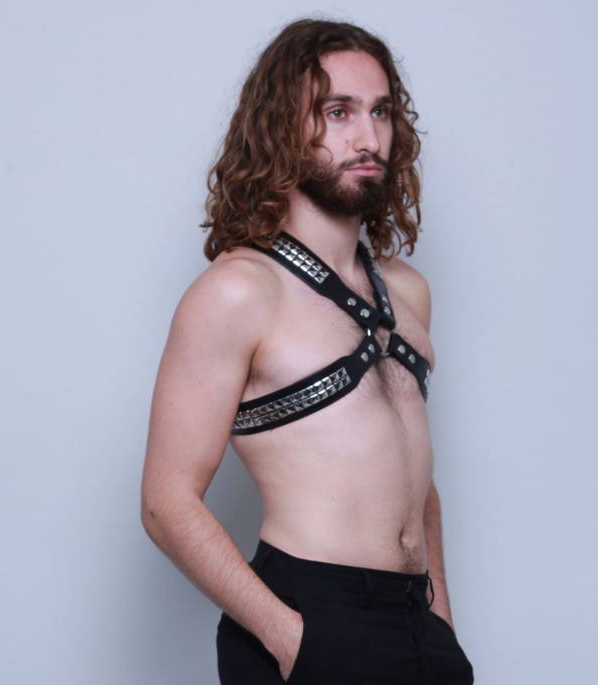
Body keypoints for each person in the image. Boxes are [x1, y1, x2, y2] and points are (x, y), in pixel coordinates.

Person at [141, 17, 475, 685]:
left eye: (380, 112)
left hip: (417, 624)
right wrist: (289, 636)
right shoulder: (239, 291)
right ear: (281, 129)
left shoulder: (407, 292)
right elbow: (165, 500)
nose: (368, 138)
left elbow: (413, 475)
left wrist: (441, 620)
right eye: (338, 112)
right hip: (309, 617)